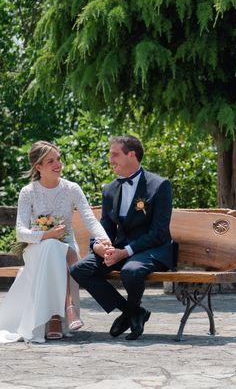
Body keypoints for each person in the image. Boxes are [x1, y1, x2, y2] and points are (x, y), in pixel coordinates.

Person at [0, 141, 109, 343]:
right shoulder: (28, 192)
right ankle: (61, 313)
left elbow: (89, 219)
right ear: (38, 167)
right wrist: (46, 235)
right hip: (36, 248)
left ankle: (55, 317)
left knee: (58, 248)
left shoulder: (72, 189)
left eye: (58, 159)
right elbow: (20, 232)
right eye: (50, 161)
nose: (57, 164)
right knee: (51, 246)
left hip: (67, 246)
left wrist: (106, 241)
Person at [70, 135, 173, 340]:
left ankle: (129, 315)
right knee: (80, 269)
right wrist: (97, 246)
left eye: (115, 154)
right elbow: (104, 227)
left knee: (131, 271)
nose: (111, 160)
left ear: (132, 155)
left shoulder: (159, 185)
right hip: (121, 250)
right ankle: (133, 312)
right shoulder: (110, 189)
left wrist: (124, 252)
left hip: (152, 250)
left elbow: (159, 233)